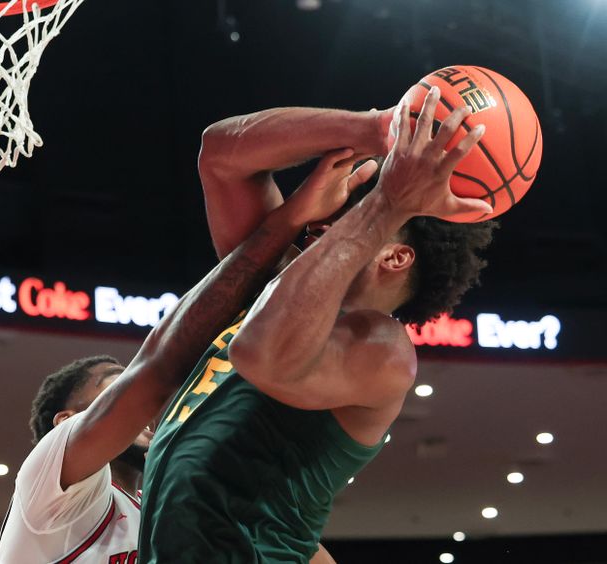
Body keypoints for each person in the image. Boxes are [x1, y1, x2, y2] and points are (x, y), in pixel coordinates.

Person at [138, 87, 498, 563]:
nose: (325, 223)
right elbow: (221, 155)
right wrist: (374, 129)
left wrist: (389, 203)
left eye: (350, 220)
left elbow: (260, 353)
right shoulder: (273, 288)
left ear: (395, 255)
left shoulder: (383, 350)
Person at [0, 133, 363, 563]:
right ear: (67, 422)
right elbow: (158, 367)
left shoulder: (166, 514)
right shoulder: (47, 491)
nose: (148, 412)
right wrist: (298, 220)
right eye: (114, 388)